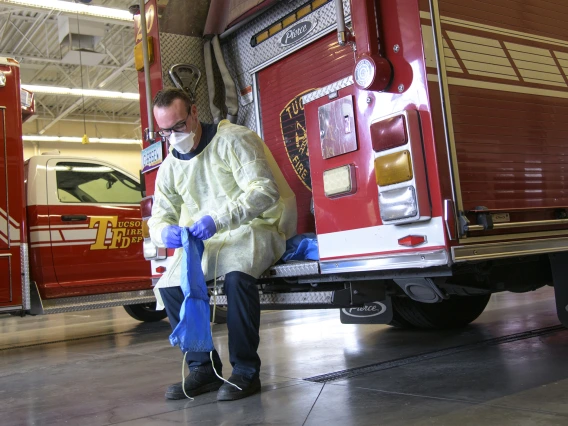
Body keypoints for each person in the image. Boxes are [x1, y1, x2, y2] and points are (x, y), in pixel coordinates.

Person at [148, 88, 296, 401]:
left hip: (254, 227)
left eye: (178, 126)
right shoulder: (169, 167)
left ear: (193, 112)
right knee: (170, 285)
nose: (174, 136)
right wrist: (165, 233)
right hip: (210, 238)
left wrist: (218, 219)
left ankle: (245, 370)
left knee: (237, 277)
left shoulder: (233, 140)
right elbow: (158, 219)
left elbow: (263, 191)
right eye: (165, 131)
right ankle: (203, 368)